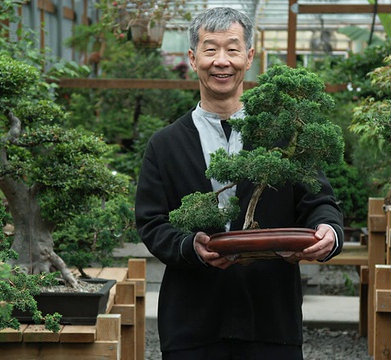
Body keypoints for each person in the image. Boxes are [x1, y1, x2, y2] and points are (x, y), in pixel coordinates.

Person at [134, 7, 344, 360]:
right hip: (192, 324)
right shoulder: (164, 145)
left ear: (249, 57)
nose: (221, 61)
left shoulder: (285, 136)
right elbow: (152, 222)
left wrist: (328, 232)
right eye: (210, 49)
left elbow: (319, 201)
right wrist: (190, 246)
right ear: (192, 58)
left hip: (271, 319)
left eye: (232, 49)